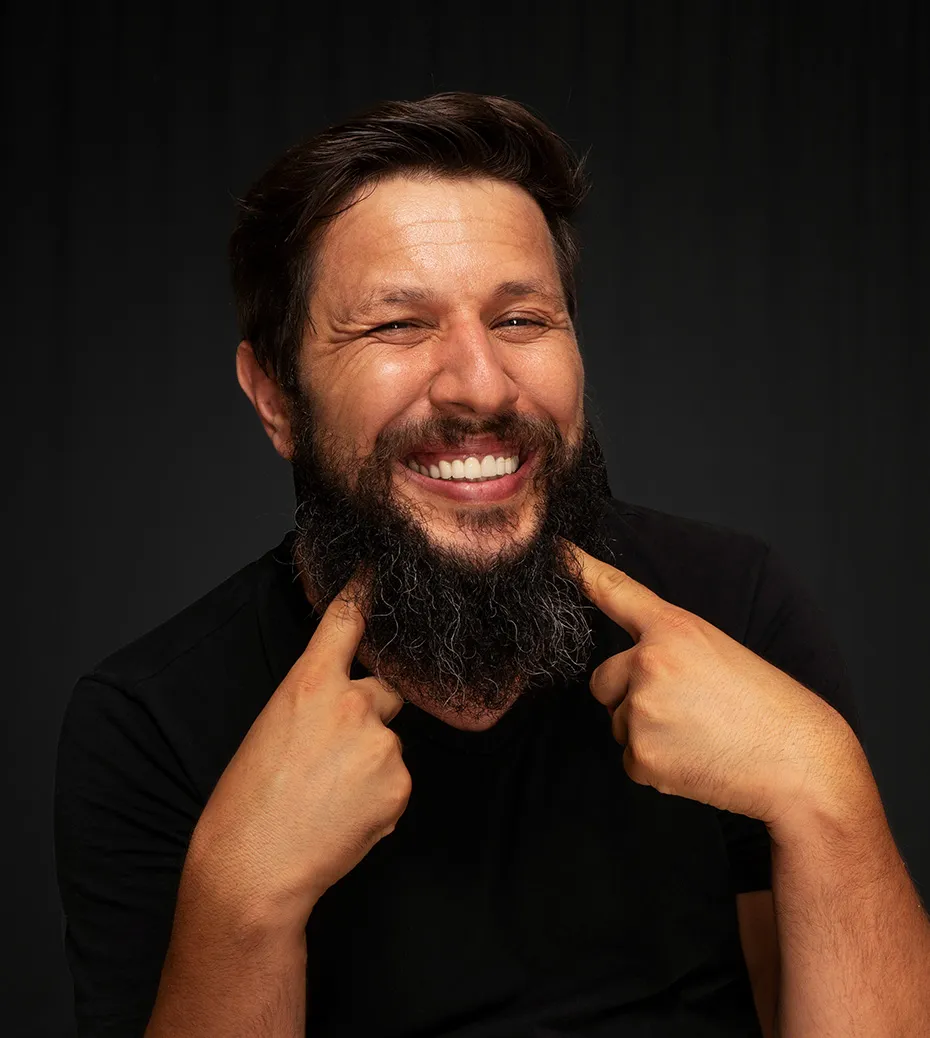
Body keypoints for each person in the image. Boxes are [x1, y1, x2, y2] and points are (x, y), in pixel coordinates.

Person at [55, 92, 930, 1038]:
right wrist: (243, 896)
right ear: (275, 396)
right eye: (397, 325)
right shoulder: (151, 724)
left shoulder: (734, 606)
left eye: (521, 320)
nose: (480, 383)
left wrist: (824, 782)